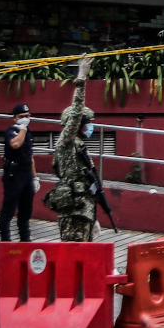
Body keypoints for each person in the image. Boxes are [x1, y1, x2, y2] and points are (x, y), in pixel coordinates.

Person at [44, 56, 98, 241]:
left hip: (84, 209)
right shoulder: (66, 142)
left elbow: (89, 183)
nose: (88, 127)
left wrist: (94, 217)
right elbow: (76, 113)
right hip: (73, 210)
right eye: (86, 123)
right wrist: (81, 77)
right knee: (72, 255)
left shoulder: (80, 146)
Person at [0, 103, 40, 242]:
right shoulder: (12, 131)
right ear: (15, 118)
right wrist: (22, 127)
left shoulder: (27, 132)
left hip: (27, 174)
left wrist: (35, 178)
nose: (25, 119)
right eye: (21, 117)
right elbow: (15, 144)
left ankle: (25, 241)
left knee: (26, 210)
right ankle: (5, 242)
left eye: (27, 116)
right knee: (8, 210)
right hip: (14, 175)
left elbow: (30, 156)